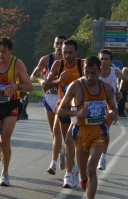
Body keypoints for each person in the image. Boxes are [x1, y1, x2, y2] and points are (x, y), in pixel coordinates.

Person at [57, 55, 118, 199]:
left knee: (92, 169)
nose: (90, 77)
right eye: (87, 73)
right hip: (80, 132)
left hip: (98, 132)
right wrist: (77, 113)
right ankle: (84, 181)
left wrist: (113, 114)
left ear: (100, 71)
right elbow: (61, 111)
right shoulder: (75, 86)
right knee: (84, 175)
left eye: (93, 73)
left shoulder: (106, 88)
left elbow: (113, 107)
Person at [0, 37, 33, 186]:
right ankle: (0, 146)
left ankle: (5, 173)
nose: (1, 55)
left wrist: (16, 87)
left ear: (10, 50)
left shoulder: (17, 64)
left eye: (4, 51)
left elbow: (29, 86)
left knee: (5, 140)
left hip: (11, 104)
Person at [43, 39, 83, 188]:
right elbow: (45, 85)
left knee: (72, 141)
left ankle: (70, 173)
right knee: (68, 141)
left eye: (70, 53)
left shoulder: (82, 65)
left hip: (80, 109)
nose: (67, 56)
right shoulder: (58, 65)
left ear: (76, 53)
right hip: (64, 108)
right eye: (65, 52)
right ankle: (73, 170)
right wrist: (58, 80)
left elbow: (95, 81)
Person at [30, 35, 66, 175]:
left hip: (63, 98)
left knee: (58, 131)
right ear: (53, 45)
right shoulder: (46, 59)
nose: (59, 46)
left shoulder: (69, 61)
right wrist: (40, 81)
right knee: (54, 132)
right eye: (57, 43)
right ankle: (61, 151)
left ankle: (53, 163)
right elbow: (33, 75)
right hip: (49, 97)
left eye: (62, 43)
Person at [98, 49, 126, 170]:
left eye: (106, 59)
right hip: (96, 105)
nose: (103, 61)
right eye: (101, 59)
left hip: (110, 105)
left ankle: (103, 157)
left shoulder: (114, 72)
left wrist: (120, 91)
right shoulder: (94, 71)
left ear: (111, 61)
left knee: (104, 131)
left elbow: (125, 79)